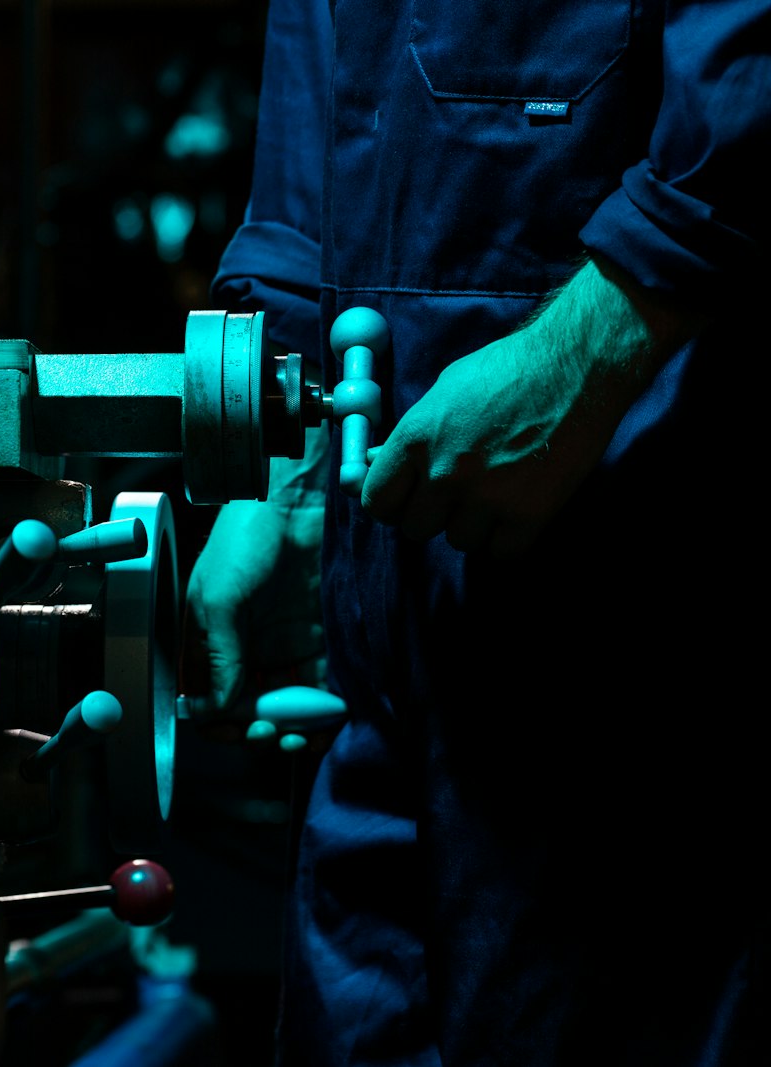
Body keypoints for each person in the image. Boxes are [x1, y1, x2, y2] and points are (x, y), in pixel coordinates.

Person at [188, 0, 768, 1062]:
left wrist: (606, 333)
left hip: (648, 618)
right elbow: (317, 109)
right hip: (380, 643)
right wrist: (277, 465)